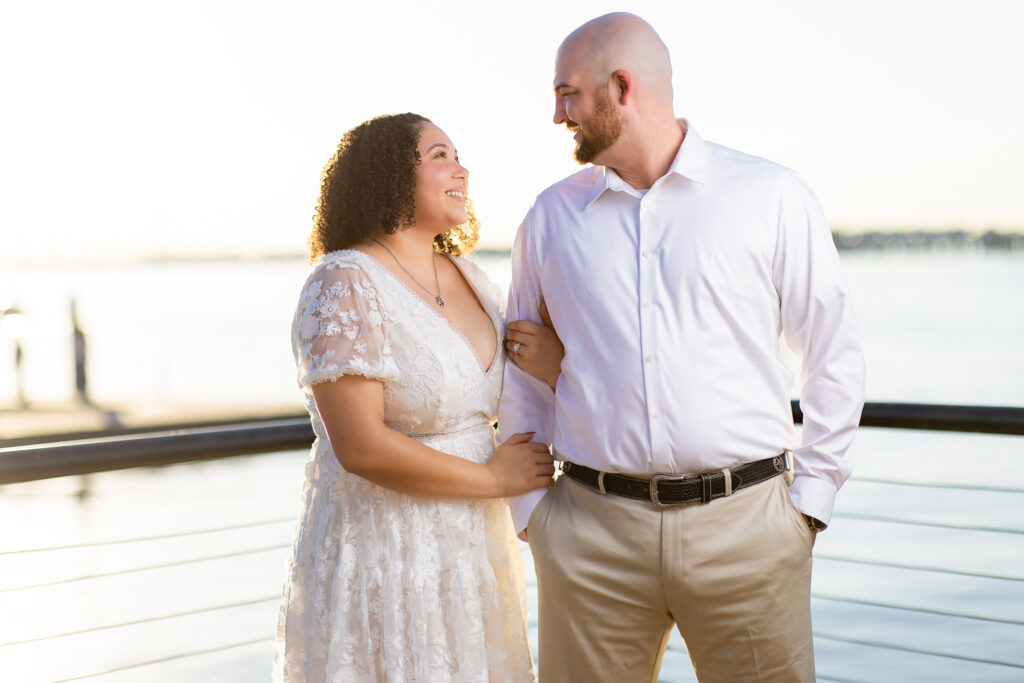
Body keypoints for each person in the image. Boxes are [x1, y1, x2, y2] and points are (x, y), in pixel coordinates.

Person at [499, 13, 866, 683]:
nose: (558, 114)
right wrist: (535, 519)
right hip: (588, 537)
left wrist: (809, 504)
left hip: (749, 533)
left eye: (567, 93)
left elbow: (833, 353)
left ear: (621, 87)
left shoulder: (771, 196)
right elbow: (520, 376)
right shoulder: (549, 219)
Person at [273, 112, 559, 682]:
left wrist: (555, 367)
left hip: (472, 551)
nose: (462, 170)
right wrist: (497, 481)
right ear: (389, 175)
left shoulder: (471, 276)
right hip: (385, 551)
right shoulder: (344, 281)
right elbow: (360, 447)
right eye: (440, 156)